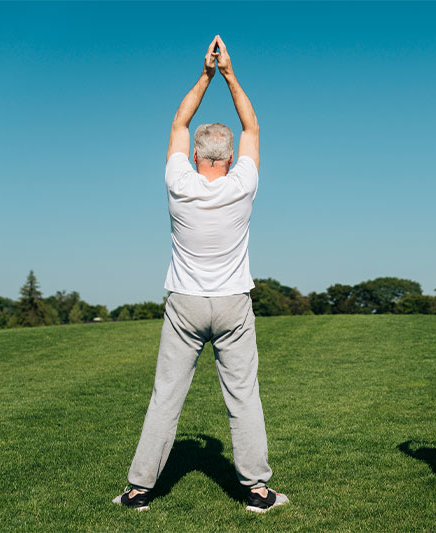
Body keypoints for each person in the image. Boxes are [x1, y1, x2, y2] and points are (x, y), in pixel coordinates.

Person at [113, 35, 288, 513]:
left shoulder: (178, 182)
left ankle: (138, 491)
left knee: (165, 398)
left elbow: (178, 122)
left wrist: (205, 75)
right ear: (229, 158)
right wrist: (230, 74)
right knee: (243, 399)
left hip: (184, 304)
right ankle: (256, 490)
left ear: (195, 157)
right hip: (232, 303)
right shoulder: (243, 183)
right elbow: (251, 126)